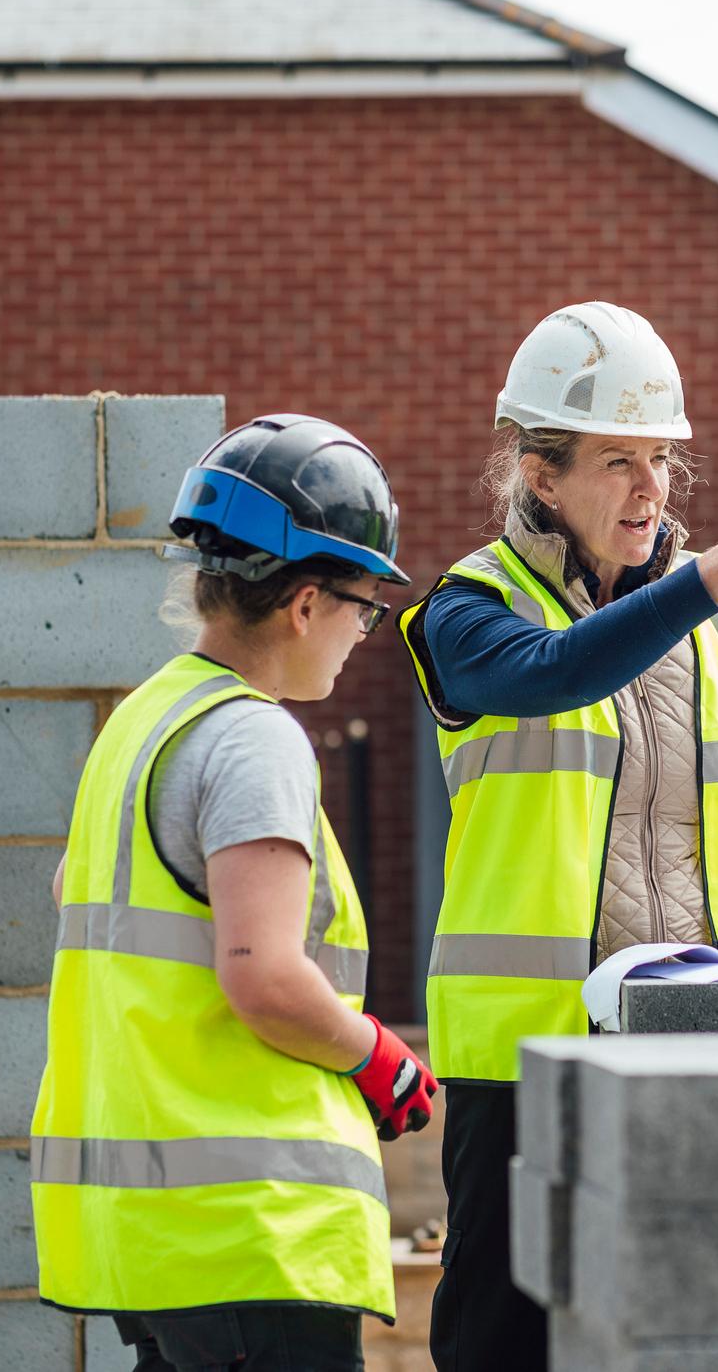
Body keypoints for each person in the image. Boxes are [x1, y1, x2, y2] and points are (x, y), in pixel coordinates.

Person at [398, 301, 718, 1370]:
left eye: (660, 458)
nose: (651, 487)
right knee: (505, 1346)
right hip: (529, 1058)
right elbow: (559, 671)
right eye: (618, 460)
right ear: (540, 474)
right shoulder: (468, 611)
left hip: (704, 1040)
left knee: (689, 1332)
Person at [29, 414, 439, 1372]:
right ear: (305, 603)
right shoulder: (253, 739)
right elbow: (261, 976)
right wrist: (378, 1056)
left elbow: (72, 890)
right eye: (363, 609)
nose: (361, 634)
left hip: (154, 1237)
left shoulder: (145, 719)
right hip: (254, 1234)